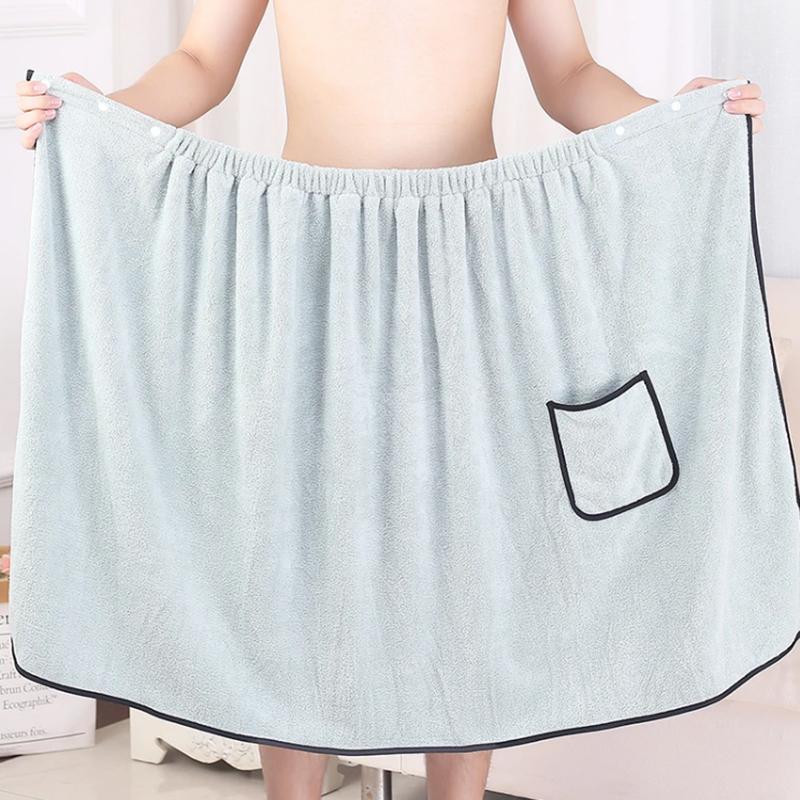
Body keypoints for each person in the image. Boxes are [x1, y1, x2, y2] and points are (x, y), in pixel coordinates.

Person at [13, 1, 765, 798]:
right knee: (293, 557)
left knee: (471, 557)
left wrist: (668, 119)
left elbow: (569, 75)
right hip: (308, 247)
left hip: (470, 247)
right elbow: (201, 63)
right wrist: (103, 109)